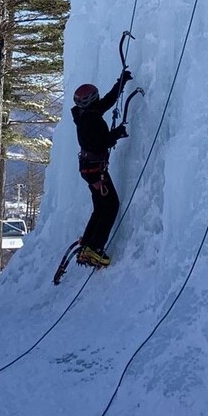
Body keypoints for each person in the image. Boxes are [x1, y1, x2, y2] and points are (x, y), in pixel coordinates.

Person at [71, 69, 132, 267]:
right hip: (95, 171)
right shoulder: (89, 121)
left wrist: (120, 82)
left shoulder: (87, 114)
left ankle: (87, 243)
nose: (99, 100)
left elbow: (107, 101)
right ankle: (95, 248)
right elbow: (99, 144)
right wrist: (116, 134)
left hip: (91, 169)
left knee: (101, 207)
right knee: (111, 205)